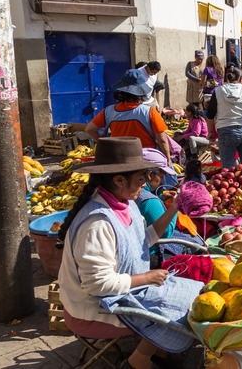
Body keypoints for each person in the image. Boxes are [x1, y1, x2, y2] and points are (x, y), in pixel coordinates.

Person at [57, 137, 203, 369]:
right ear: (118, 179)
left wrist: (173, 209)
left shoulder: (125, 202)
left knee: (195, 295)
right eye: (140, 178)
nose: (144, 184)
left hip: (121, 292)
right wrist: (146, 277)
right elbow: (97, 285)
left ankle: (159, 354)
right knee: (182, 312)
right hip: (91, 309)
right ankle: (138, 361)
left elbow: (141, 240)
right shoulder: (97, 223)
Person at [86, 70, 171, 161]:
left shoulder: (108, 112)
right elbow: (162, 140)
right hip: (145, 159)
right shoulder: (149, 112)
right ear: (141, 93)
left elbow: (89, 130)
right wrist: (168, 160)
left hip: (120, 158)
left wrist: (104, 142)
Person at [139, 148, 179, 267]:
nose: (162, 181)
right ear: (150, 175)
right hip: (150, 256)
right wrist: (174, 207)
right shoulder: (149, 201)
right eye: (161, 176)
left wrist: (160, 198)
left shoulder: (131, 195)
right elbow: (165, 233)